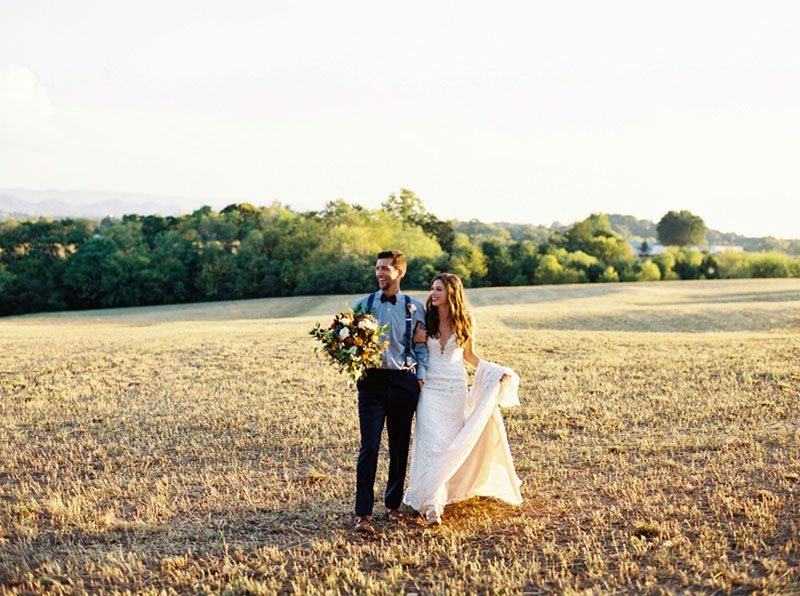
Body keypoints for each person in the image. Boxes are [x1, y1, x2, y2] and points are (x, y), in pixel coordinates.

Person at [403, 272, 523, 526]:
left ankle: (437, 496)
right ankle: (433, 505)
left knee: (447, 444)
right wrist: (415, 341)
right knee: (430, 442)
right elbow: (414, 349)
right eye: (432, 288)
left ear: (451, 294)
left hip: (455, 388)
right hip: (430, 388)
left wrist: (495, 372)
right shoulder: (425, 318)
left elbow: (470, 356)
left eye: (439, 289)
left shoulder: (466, 321)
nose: (433, 293)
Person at [351, 250, 428, 534]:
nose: (380, 273)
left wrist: (419, 379)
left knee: (399, 447)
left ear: (400, 272)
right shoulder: (362, 305)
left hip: (403, 383)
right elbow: (352, 344)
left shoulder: (415, 307)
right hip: (371, 383)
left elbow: (421, 347)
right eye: (377, 268)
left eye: (385, 268)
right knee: (369, 446)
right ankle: (363, 514)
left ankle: (393, 505)